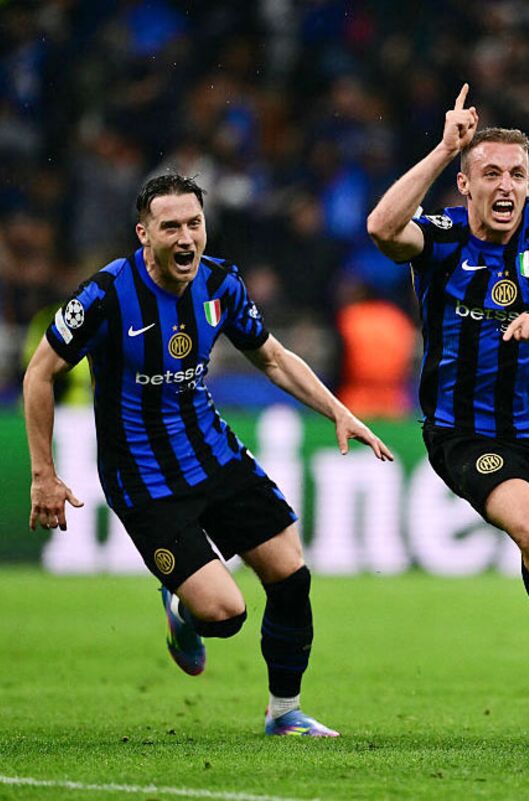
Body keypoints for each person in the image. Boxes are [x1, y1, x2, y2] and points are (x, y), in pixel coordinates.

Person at [24, 173, 394, 738]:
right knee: (225, 614)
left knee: (290, 574)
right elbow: (39, 373)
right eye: (170, 226)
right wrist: (43, 474)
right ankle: (183, 607)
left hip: (213, 454)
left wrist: (337, 410)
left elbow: (272, 357)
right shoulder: (106, 294)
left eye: (194, 224)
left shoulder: (221, 283)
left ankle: (285, 713)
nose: (185, 237)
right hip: (143, 477)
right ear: (144, 234)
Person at [366, 84, 529, 751]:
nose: (506, 185)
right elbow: (382, 228)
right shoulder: (442, 238)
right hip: (466, 432)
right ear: (466, 184)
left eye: (517, 174)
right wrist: (443, 147)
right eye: (490, 174)